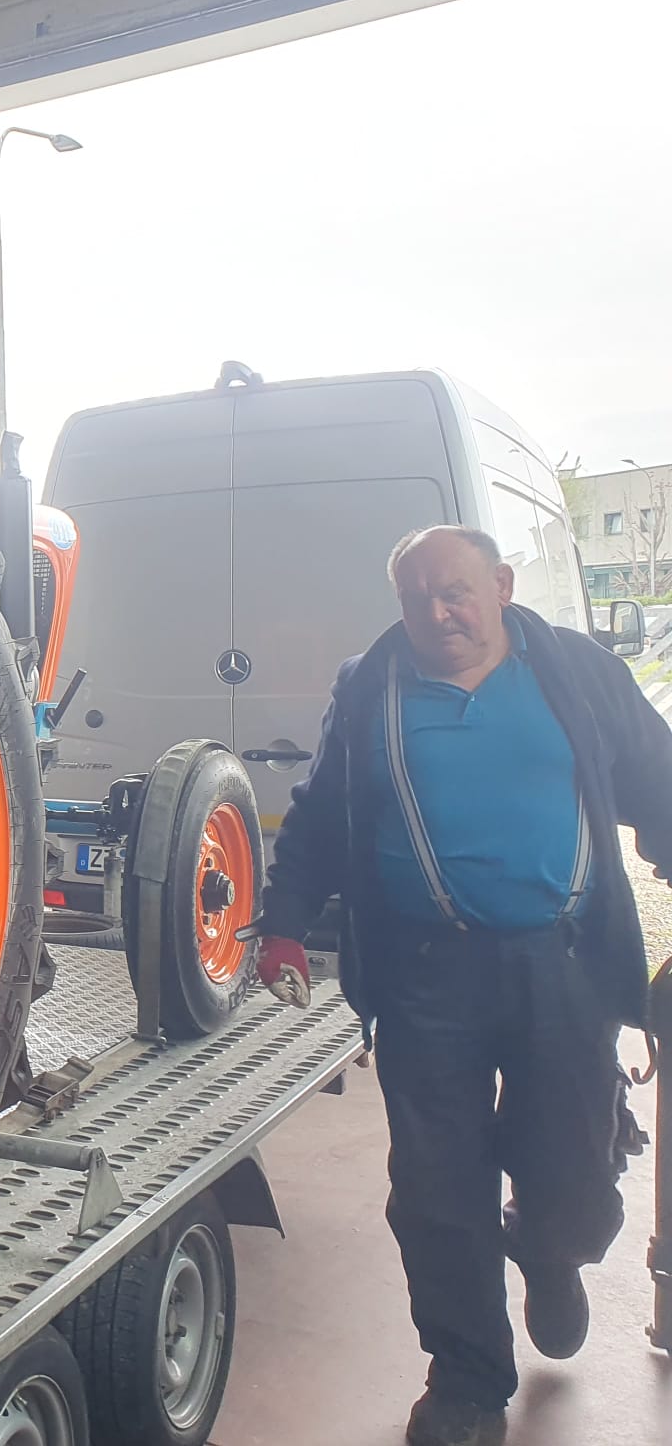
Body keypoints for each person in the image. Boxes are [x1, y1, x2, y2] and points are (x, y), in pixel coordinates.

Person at [251, 524, 671, 1446]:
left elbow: (660, 782)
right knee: (437, 1187)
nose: (437, 613)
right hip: (425, 976)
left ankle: (550, 1249)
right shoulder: (371, 686)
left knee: (574, 1173)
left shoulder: (576, 672)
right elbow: (318, 818)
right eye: (417, 599)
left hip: (562, 966)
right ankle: (468, 1381)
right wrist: (282, 926)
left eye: (456, 593)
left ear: (503, 585)